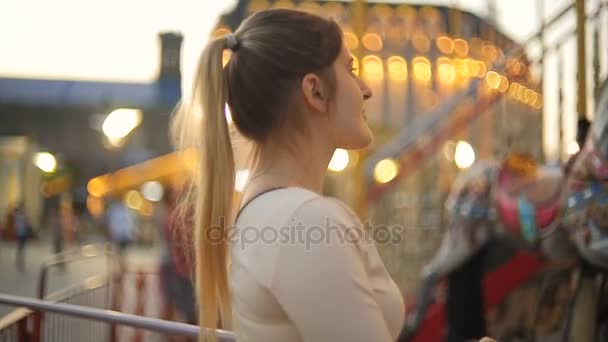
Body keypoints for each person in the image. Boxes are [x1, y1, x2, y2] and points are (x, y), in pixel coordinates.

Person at [172, 8, 405, 341]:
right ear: (315, 91)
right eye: (351, 70)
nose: (366, 89)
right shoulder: (308, 220)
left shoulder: (265, 209)